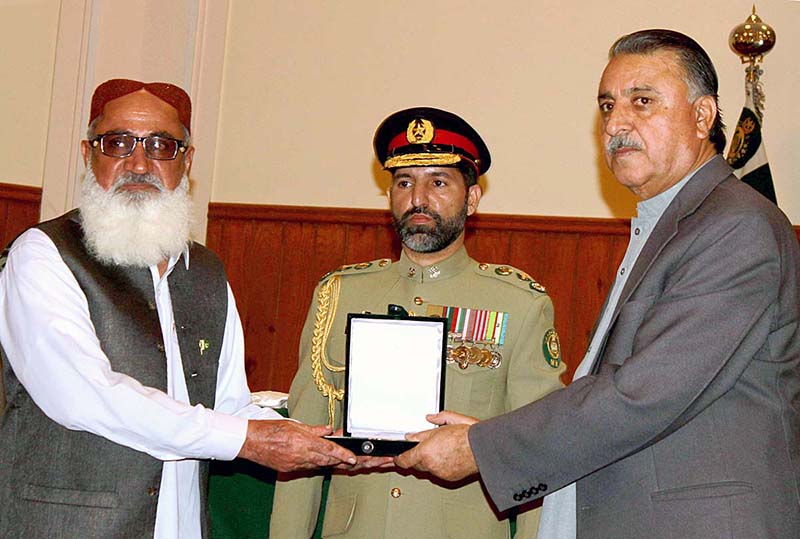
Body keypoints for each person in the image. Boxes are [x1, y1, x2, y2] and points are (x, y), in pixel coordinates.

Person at [395, 29, 800, 539]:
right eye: (608, 105)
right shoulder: (669, 221)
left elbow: (645, 394)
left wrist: (482, 448)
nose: (617, 124)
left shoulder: (735, 226)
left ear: (702, 117)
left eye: (643, 102)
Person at [0, 79, 357, 539]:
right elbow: (84, 395)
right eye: (119, 142)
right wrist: (248, 440)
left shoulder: (205, 270)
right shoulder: (44, 253)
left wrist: (330, 440)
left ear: (186, 162)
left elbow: (230, 404)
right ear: (88, 154)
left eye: (161, 145)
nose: (139, 163)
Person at [270, 107, 566, 538]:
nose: (418, 199)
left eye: (438, 182)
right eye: (404, 182)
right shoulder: (339, 295)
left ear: (472, 198)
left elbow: (537, 452)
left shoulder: (518, 305)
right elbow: (303, 446)